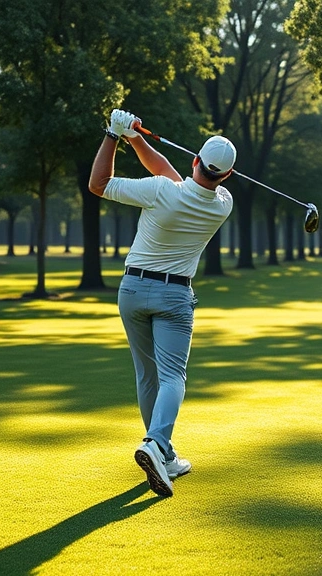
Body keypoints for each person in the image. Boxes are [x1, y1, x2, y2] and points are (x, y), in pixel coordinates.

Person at [88, 109, 235, 497]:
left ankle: (163, 453)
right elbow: (173, 176)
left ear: (195, 161)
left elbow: (98, 183)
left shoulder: (159, 191)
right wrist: (136, 140)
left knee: (147, 376)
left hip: (132, 291)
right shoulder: (223, 203)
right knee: (173, 377)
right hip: (175, 296)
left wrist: (112, 135)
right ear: (227, 176)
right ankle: (155, 444)